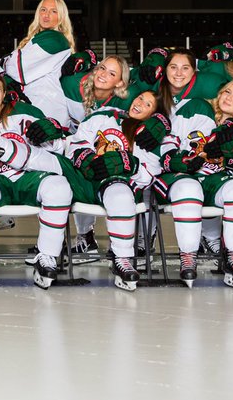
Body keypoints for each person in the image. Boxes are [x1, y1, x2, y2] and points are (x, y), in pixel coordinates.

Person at [0, 74, 73, 289]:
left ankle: (47, 256)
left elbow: (58, 147)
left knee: (59, 187)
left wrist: (51, 132)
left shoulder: (25, 112)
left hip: (28, 177)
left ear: (4, 94)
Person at [157, 80, 233, 289]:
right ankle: (188, 256)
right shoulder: (197, 107)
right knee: (190, 188)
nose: (229, 98)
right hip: (183, 176)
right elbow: (170, 137)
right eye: (227, 91)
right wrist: (176, 159)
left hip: (215, 181)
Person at [61, 89, 165, 292]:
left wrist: (130, 165)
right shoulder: (104, 116)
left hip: (117, 183)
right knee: (57, 182)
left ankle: (123, 259)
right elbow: (76, 142)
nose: (139, 103)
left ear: (154, 114)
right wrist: (85, 158)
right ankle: (57, 249)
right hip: (86, 178)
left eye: (148, 105)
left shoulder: (148, 134)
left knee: (120, 194)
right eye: (140, 98)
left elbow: (151, 170)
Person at [0, 0, 76, 124]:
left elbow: (16, 68)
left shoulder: (55, 39)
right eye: (43, 10)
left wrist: (4, 63)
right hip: (34, 108)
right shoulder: (36, 38)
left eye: (53, 11)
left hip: (48, 110)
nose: (46, 14)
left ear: (61, 17)